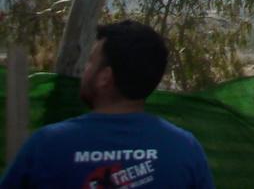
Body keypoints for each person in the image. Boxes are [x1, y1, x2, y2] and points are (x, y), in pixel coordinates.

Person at [0, 20, 215, 188]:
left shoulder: (45, 146)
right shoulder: (184, 149)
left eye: (90, 61)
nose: (85, 69)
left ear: (105, 77)